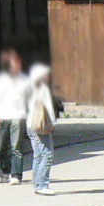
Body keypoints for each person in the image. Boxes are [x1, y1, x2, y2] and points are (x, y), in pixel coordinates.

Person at [0, 49, 32, 183]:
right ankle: (6, 169)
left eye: (18, 62)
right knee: (0, 147)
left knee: (16, 147)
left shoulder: (25, 80)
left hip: (19, 115)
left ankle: (16, 175)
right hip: (2, 116)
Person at [25, 63, 57, 195]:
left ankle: (37, 183)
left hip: (30, 125)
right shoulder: (43, 88)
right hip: (41, 126)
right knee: (47, 155)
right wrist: (53, 123)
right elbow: (49, 108)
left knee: (37, 156)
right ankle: (42, 184)